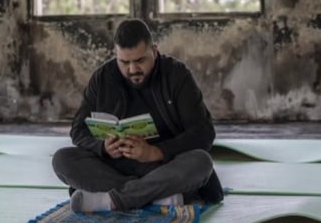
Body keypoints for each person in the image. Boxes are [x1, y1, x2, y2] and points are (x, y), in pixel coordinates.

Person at [52, 18, 224, 213]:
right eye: (124, 62)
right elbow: (78, 130)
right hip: (115, 166)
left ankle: (111, 200)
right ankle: (156, 196)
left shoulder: (177, 75)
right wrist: (103, 148)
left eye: (140, 61)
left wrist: (155, 152)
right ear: (115, 54)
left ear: (154, 51)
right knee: (62, 159)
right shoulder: (102, 78)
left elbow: (203, 132)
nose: (133, 69)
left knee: (201, 162)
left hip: (163, 166)